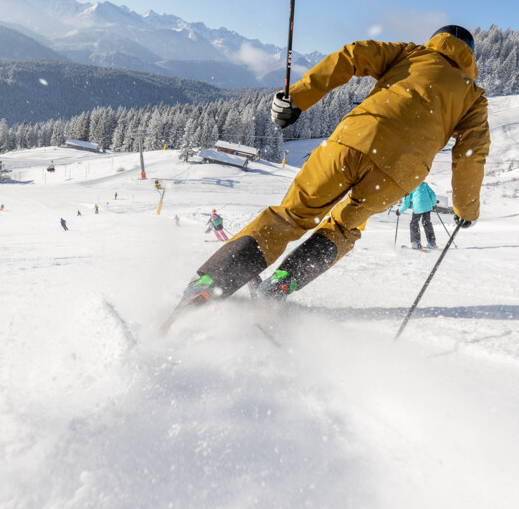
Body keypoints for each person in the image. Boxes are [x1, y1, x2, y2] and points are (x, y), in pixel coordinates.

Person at [174, 25, 489, 306]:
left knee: (290, 217)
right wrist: (466, 209)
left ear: (437, 39)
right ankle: (283, 282)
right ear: (471, 58)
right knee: (343, 228)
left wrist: (297, 98)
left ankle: (213, 280)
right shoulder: (473, 97)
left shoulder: (412, 54)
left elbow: (352, 56)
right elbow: (471, 154)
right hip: (396, 176)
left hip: (351, 144)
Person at [398, 180, 438, 249]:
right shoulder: (424, 184)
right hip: (428, 206)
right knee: (426, 223)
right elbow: (433, 195)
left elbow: (406, 203)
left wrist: (399, 211)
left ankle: (416, 243)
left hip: (418, 207)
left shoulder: (410, 187)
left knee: (414, 223)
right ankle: (432, 242)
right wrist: (433, 204)